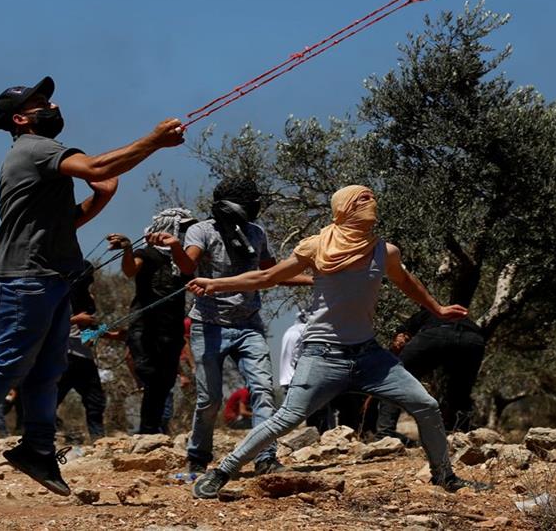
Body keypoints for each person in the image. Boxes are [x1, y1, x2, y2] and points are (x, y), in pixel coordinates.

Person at [0, 75, 184, 495]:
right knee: (12, 361)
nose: (51, 106)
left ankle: (37, 449)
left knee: (47, 370)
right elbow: (97, 167)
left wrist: (101, 198)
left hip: (46, 279)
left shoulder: (36, 154)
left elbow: (67, 219)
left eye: (49, 99)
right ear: (20, 118)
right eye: (40, 103)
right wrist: (154, 140)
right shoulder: (35, 148)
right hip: (23, 279)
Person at [188, 185, 490, 499]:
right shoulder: (316, 247)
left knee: (426, 405)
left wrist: (437, 309)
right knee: (288, 417)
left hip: (369, 356)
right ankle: (222, 471)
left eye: (372, 196)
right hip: (322, 354)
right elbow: (266, 278)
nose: (370, 201)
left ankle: (445, 477)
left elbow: (405, 281)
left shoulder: (384, 251)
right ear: (344, 207)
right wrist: (216, 283)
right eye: (362, 197)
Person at [179, 178, 312, 476]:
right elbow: (188, 267)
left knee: (263, 390)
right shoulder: (200, 231)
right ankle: (198, 455)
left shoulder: (256, 233)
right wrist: (175, 245)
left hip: (249, 325)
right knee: (209, 398)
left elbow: (271, 273)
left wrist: (312, 279)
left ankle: (266, 457)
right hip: (208, 325)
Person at [109, 207, 197, 434]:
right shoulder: (146, 253)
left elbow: (190, 271)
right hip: (145, 327)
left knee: (164, 382)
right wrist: (128, 249)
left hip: (171, 329)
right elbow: (130, 270)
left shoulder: (184, 259)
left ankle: (150, 430)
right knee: (149, 373)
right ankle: (149, 429)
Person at [377, 307, 487, 443]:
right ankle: (460, 437)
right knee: (461, 391)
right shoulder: (465, 319)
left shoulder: (425, 313)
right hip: (473, 340)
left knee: (395, 379)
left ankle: (385, 435)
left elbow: (400, 341)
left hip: (435, 335)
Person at [55, 267, 107, 441]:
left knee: (95, 400)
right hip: (62, 355)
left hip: (83, 357)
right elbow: (46, 323)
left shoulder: (88, 300)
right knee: (51, 398)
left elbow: (88, 335)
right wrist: (75, 320)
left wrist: (102, 331)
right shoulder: (58, 297)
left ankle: (98, 437)